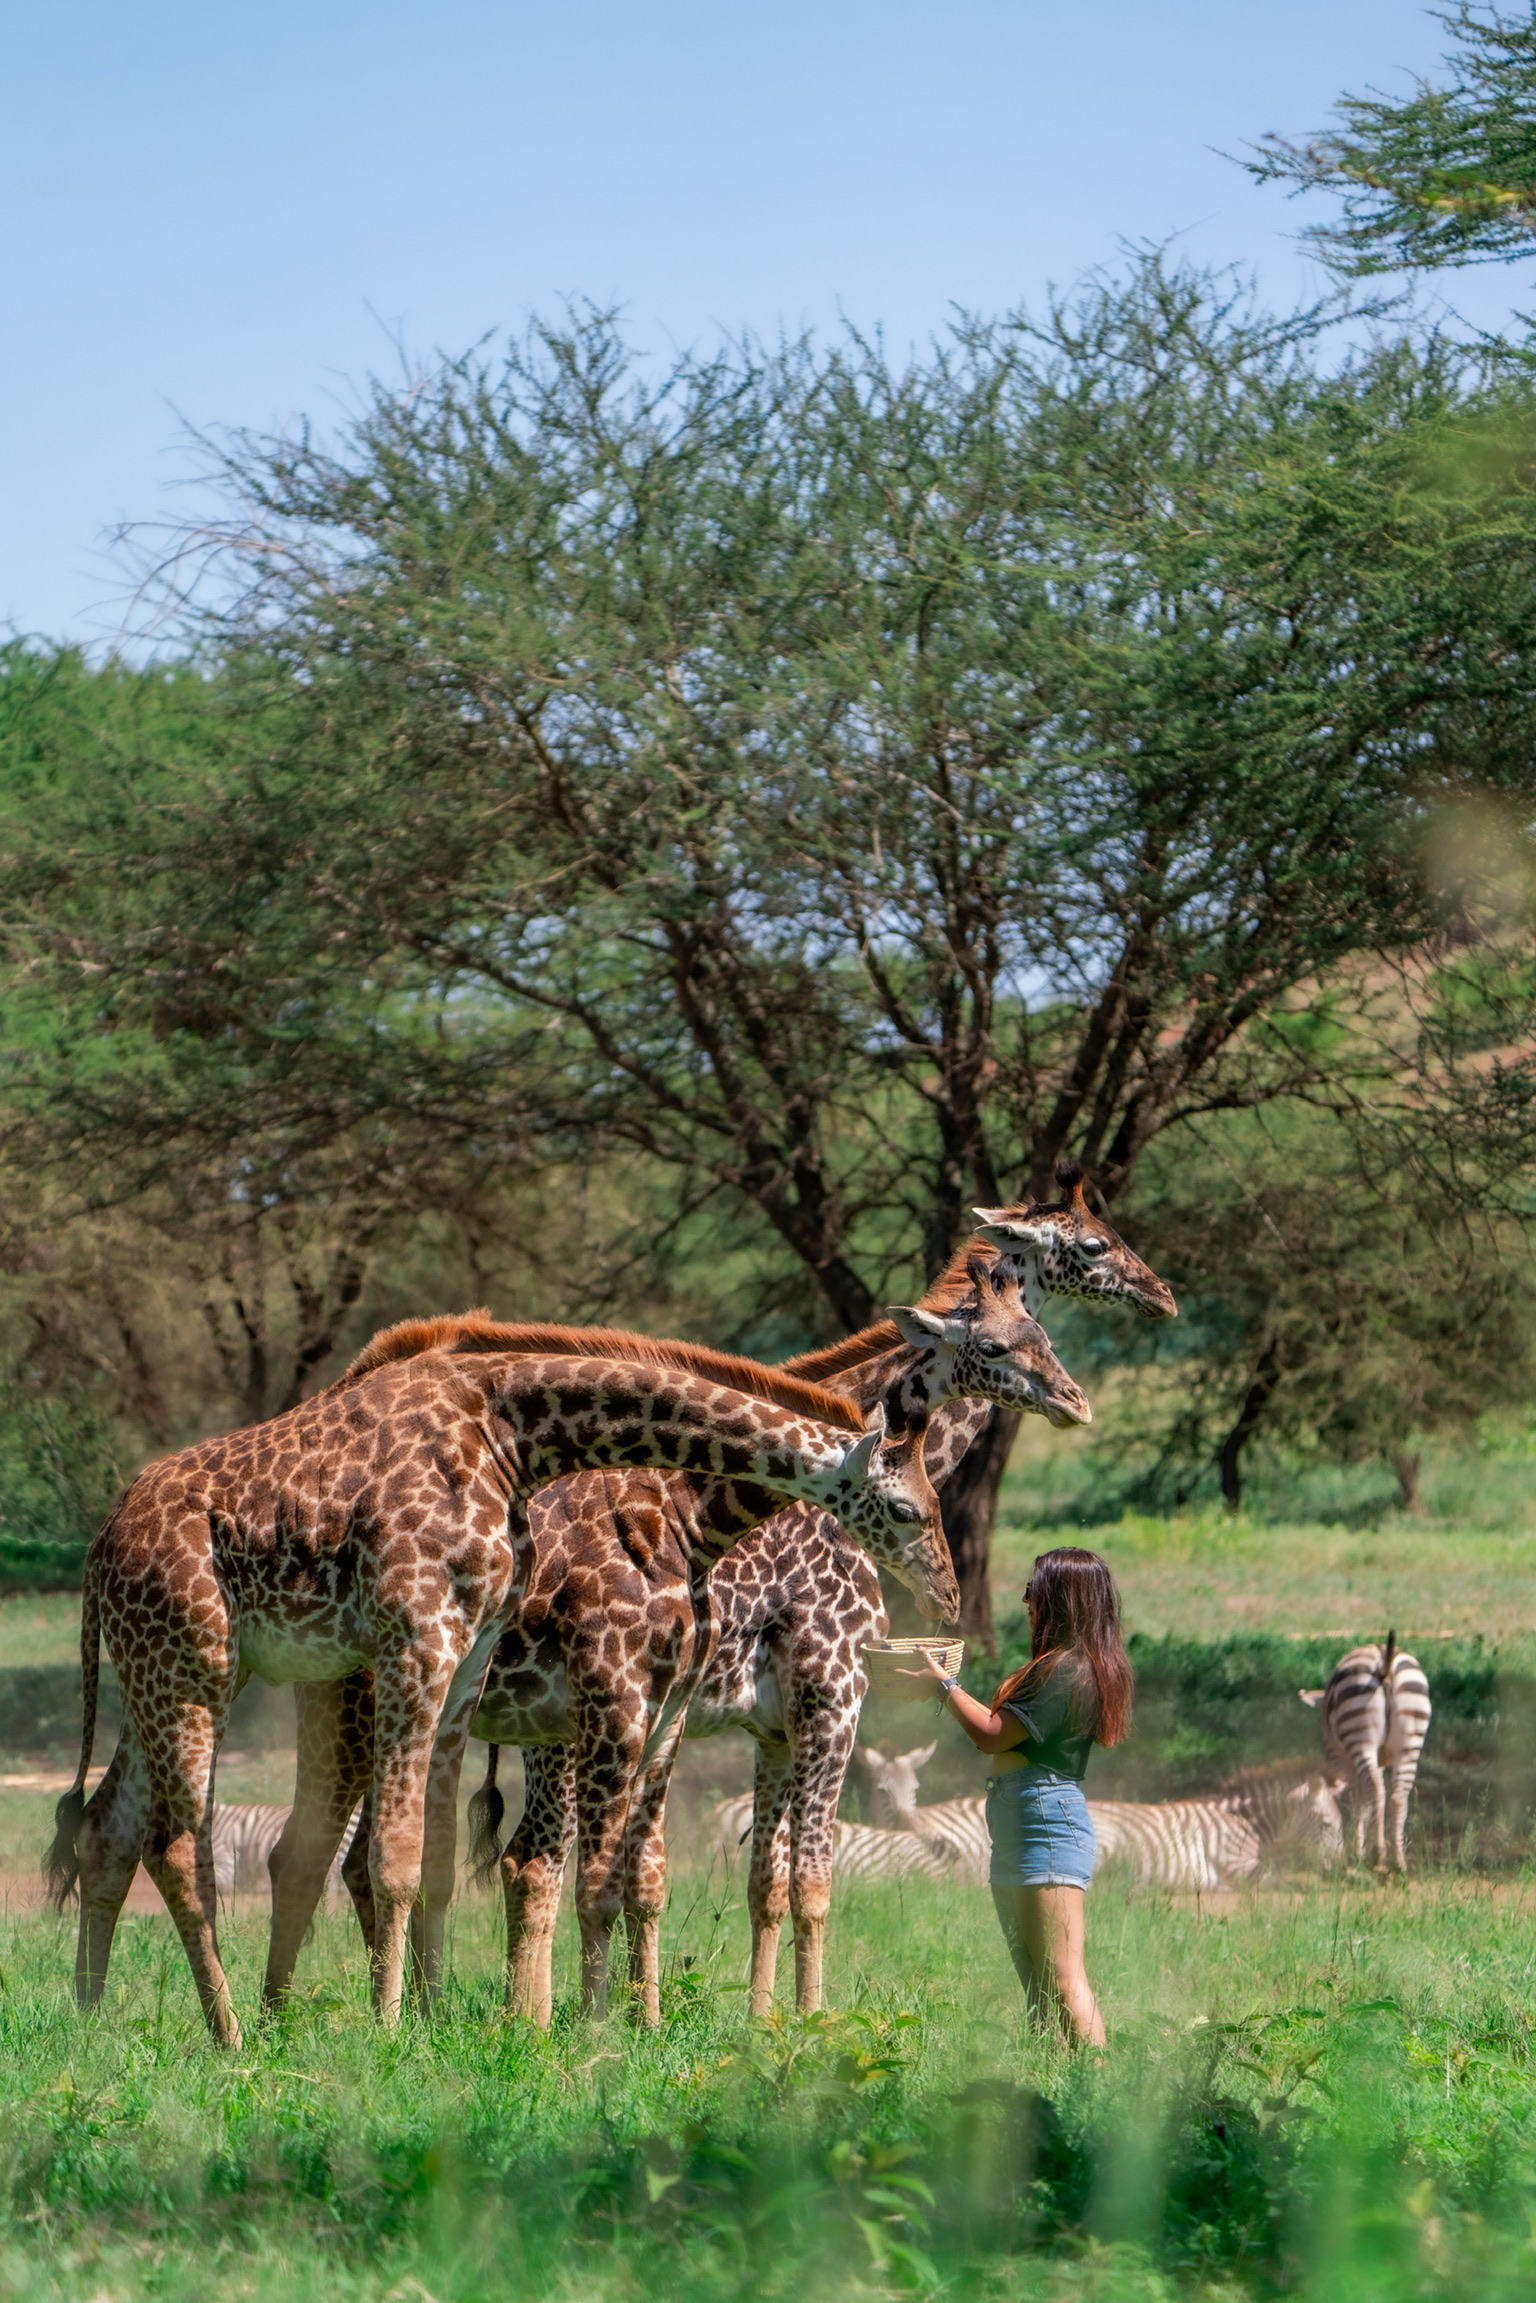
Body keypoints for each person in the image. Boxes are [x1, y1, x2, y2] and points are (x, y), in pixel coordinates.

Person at [900, 1546, 1131, 2046]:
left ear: (1061, 1598)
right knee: (1038, 1982)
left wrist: (945, 1686)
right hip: (1023, 1819)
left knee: (1064, 1978)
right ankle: (1056, 2096)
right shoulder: (1062, 1667)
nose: (1025, 1597)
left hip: (1044, 1820)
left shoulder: (1065, 1670)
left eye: (1035, 1588)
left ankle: (1099, 2089)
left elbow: (991, 1733)